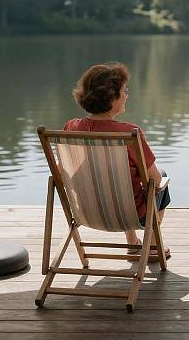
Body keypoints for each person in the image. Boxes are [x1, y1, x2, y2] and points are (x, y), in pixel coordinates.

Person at [65, 62, 170, 257]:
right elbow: (154, 179)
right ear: (112, 99)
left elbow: (65, 172)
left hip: (84, 213)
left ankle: (132, 243)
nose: (127, 94)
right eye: (124, 90)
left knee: (121, 179)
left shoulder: (71, 128)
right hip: (130, 215)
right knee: (160, 178)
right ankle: (153, 247)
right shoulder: (129, 134)